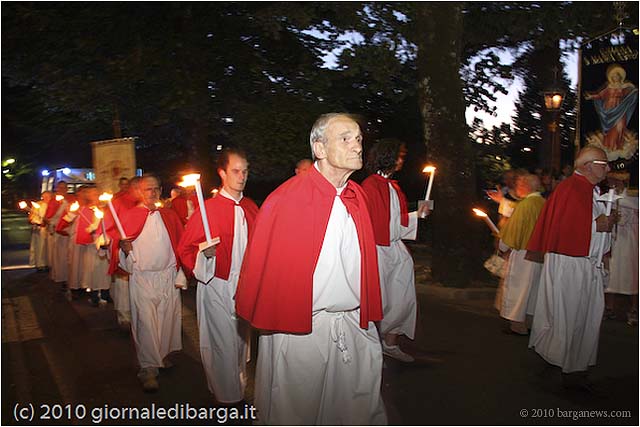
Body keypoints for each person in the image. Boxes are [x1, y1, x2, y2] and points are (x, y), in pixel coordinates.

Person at [236, 113, 386, 425]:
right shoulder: (286, 199)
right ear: (319, 148)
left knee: (357, 412)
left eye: (358, 138)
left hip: (354, 325)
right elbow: (267, 269)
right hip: (302, 331)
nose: (357, 146)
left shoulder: (356, 196)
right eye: (345, 138)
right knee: (296, 412)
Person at [527, 146, 615, 391]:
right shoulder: (571, 189)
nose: (608, 168)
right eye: (604, 163)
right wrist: (598, 225)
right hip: (571, 263)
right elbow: (569, 227)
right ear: (588, 166)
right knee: (571, 317)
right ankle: (570, 369)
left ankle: (568, 362)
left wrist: (604, 226)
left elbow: (589, 223)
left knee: (581, 317)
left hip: (584, 264)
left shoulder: (588, 189)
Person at [178, 148, 259, 405]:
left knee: (240, 343)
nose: (242, 176)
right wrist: (204, 253)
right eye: (236, 171)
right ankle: (228, 400)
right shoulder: (209, 209)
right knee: (222, 343)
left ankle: (237, 387)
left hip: (244, 286)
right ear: (222, 173)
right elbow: (185, 248)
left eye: (245, 171)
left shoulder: (250, 207)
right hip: (217, 284)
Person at [361, 139, 430, 363]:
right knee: (377, 299)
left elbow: (395, 222)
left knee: (402, 296)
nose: (402, 160)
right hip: (377, 250)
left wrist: (418, 214)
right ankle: (370, 347)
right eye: (399, 156)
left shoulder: (393, 186)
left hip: (394, 249)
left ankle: (390, 343)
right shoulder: (371, 185)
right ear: (388, 156)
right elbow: (371, 223)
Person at [117, 174, 187, 392]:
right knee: (146, 323)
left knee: (166, 320)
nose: (153, 192)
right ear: (139, 191)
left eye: (156, 188)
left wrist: (181, 269)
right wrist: (124, 250)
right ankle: (147, 368)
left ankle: (161, 356)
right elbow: (119, 250)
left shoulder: (168, 215)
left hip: (167, 276)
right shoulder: (130, 216)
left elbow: (180, 243)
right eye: (148, 188)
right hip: (143, 278)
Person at [494, 174, 545, 335]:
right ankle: (529, 322)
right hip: (539, 254)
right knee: (533, 290)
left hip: (522, 252)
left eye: (519, 184)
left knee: (518, 289)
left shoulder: (525, 205)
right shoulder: (544, 203)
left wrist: (502, 246)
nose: (517, 187)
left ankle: (517, 325)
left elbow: (514, 230)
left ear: (526, 186)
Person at [603, 171, 638, 325]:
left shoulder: (632, 196)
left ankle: (633, 309)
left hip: (629, 240)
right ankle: (609, 307)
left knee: (630, 274)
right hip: (614, 240)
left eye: (614, 181)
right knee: (612, 274)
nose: (612, 184)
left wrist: (616, 201)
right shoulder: (611, 197)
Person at [584, 64, 638, 151]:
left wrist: (633, 88)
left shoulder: (624, 86)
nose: (615, 77)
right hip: (609, 109)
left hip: (620, 109)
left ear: (620, 77)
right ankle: (610, 147)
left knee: (620, 126)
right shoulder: (609, 87)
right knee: (610, 131)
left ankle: (618, 147)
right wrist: (591, 96)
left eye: (617, 75)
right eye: (613, 76)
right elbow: (600, 95)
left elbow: (633, 90)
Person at [28, 192, 51, 272]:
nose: (46, 198)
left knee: (48, 248)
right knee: (40, 247)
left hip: (50, 229)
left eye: (48, 196)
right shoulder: (38, 205)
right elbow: (32, 216)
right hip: (40, 229)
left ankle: (49, 263)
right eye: (45, 196)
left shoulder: (52, 204)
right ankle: (40, 264)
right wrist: (37, 222)